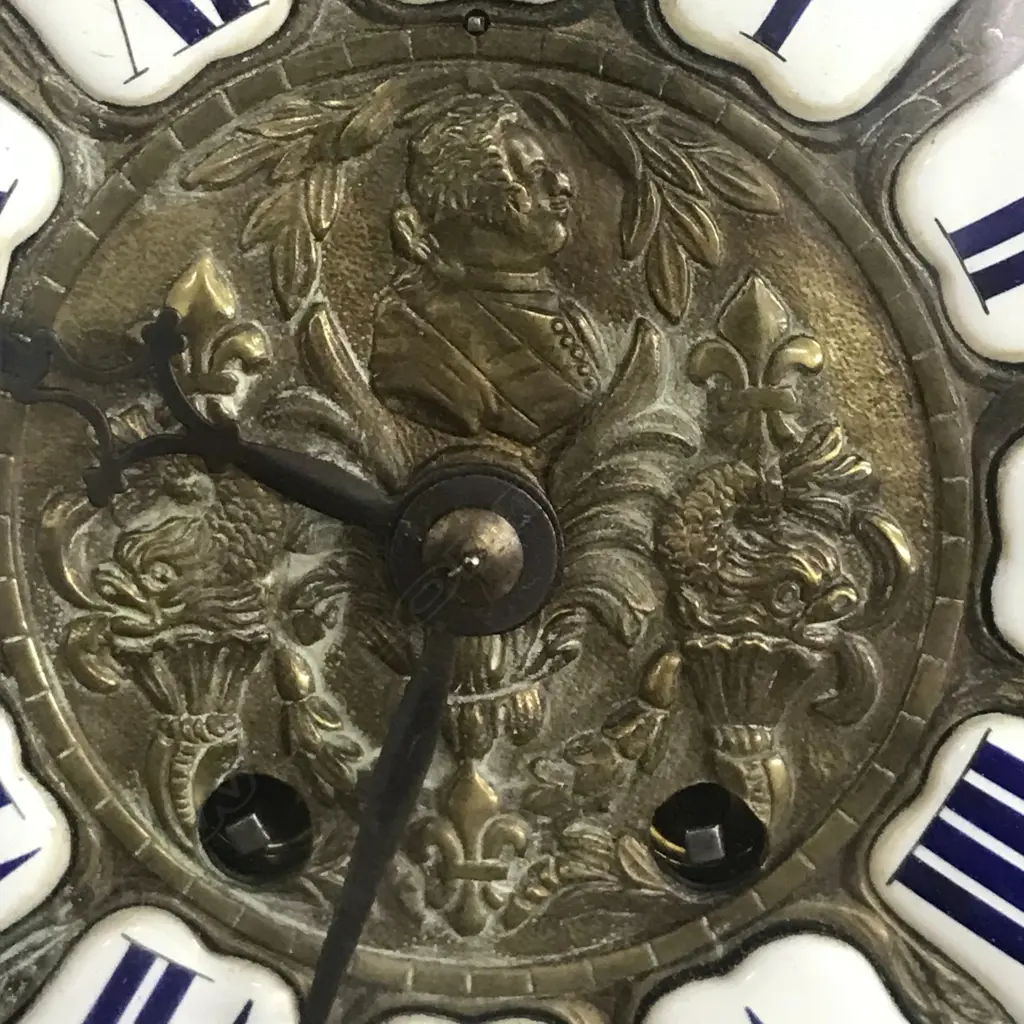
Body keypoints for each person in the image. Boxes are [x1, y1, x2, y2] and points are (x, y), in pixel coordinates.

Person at [370, 92, 611, 444]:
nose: (563, 184)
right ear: (472, 199)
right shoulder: (414, 337)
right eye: (536, 173)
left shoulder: (575, 319)